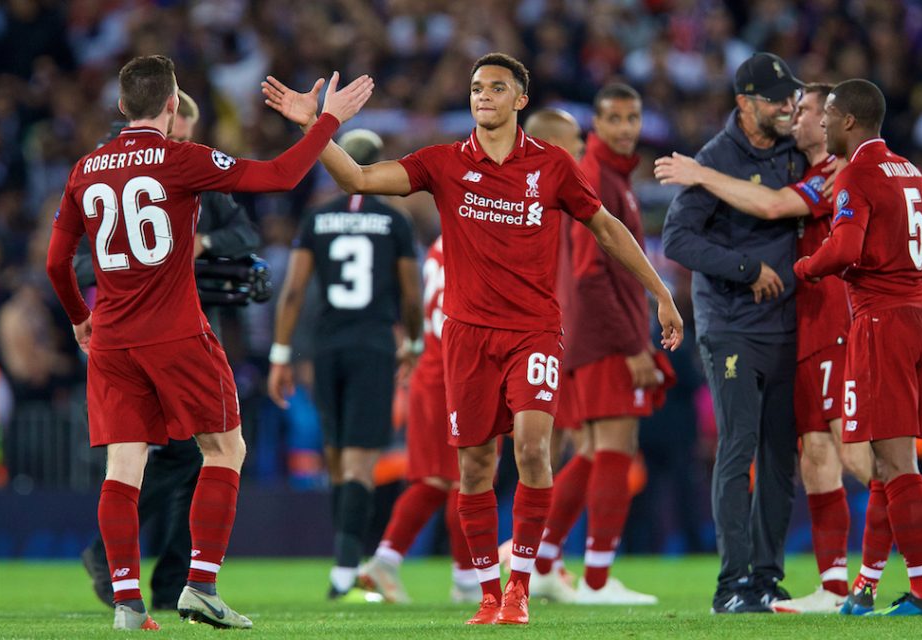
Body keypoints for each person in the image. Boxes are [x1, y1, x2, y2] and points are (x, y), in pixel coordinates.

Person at [261, 52, 683, 626]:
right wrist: (317, 126)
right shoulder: (443, 163)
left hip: (535, 332)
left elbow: (606, 229)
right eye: (477, 87)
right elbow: (357, 177)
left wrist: (660, 292)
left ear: (520, 99)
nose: (483, 95)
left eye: (496, 87)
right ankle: (488, 593)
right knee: (474, 469)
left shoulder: (554, 165)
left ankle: (520, 590)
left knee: (534, 448)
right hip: (466, 338)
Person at [45, 54, 372, 630]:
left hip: (114, 340)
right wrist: (324, 122)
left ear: (122, 106)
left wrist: (80, 319)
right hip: (177, 334)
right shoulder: (180, 157)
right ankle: (201, 586)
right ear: (172, 105)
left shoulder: (85, 169)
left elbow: (56, 263)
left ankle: (127, 604)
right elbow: (278, 177)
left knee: (123, 467)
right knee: (226, 450)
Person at [77, 89, 261, 613]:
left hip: (190, 329)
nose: (176, 144)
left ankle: (158, 585)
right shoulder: (110, 171)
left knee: (182, 458)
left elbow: (245, 230)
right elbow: (84, 262)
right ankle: (170, 579)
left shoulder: (193, 170)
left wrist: (203, 245)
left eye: (184, 138)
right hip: (143, 335)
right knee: (188, 454)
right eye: (174, 133)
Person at [793, 78, 922, 616]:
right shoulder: (910, 170)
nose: (822, 122)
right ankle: (864, 587)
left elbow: (844, 248)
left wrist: (807, 267)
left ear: (850, 122)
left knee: (896, 462)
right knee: (887, 464)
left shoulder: (856, 174)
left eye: (829, 113)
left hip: (882, 321)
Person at [661, 52, 804, 614]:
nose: (788, 107)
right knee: (738, 448)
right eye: (776, 99)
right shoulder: (714, 159)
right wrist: (746, 270)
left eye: (791, 97)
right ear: (745, 104)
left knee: (778, 456)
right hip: (732, 327)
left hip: (786, 324)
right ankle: (732, 585)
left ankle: (767, 577)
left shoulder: (797, 153)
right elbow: (677, 240)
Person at [266, 128, 422, 602]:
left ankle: (343, 564)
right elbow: (411, 293)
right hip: (372, 345)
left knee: (335, 458)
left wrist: (281, 353)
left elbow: (293, 291)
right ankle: (345, 573)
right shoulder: (393, 221)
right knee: (360, 464)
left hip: (325, 348)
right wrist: (413, 340)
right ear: (376, 164)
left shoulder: (317, 218)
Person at [528, 86, 668, 606]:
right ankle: (596, 579)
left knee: (589, 449)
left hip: (579, 333)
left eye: (633, 117)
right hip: (604, 336)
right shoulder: (595, 179)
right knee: (615, 446)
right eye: (614, 118)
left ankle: (541, 561)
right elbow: (591, 274)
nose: (626, 128)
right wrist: (634, 343)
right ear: (596, 128)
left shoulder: (610, 178)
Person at [356, 235, 480, 604]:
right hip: (457, 371)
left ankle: (385, 560)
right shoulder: (473, 238)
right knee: (468, 478)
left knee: (436, 480)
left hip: (430, 368)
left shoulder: (441, 244)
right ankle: (467, 582)